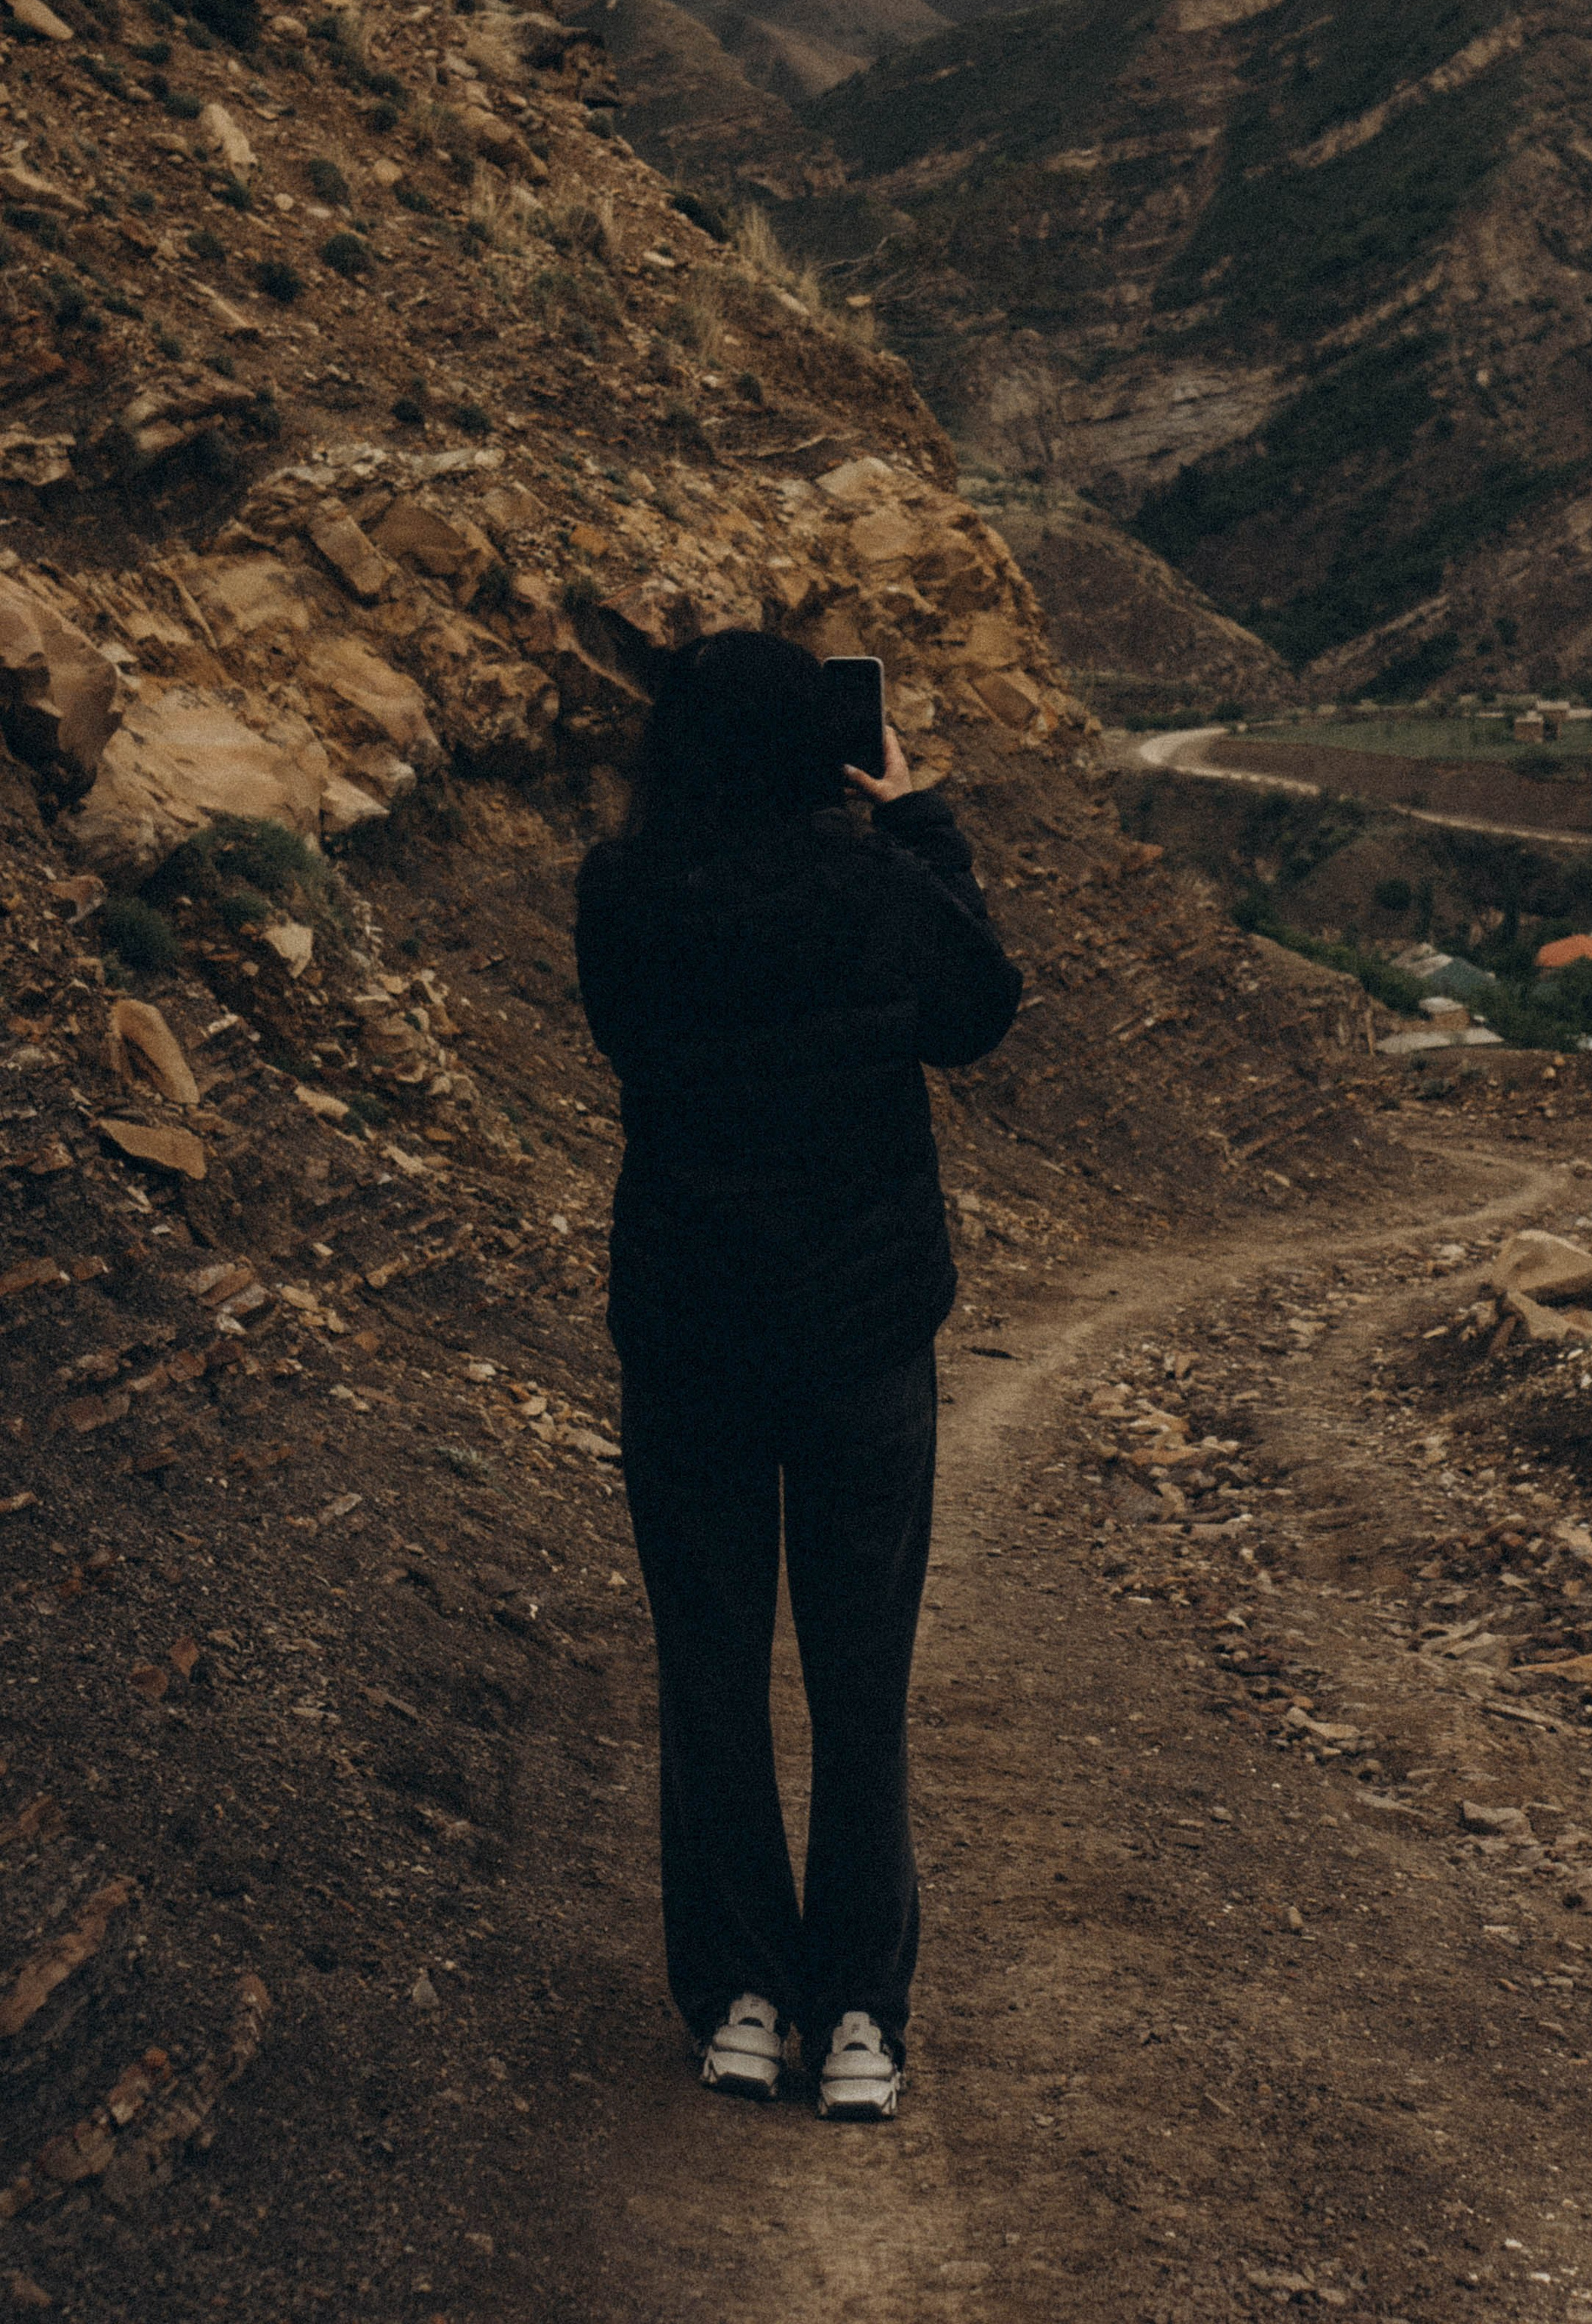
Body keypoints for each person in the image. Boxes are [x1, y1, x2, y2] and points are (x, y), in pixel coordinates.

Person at [574, 629, 1022, 2120]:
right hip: (860, 1335)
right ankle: (861, 2026)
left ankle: (742, 2001)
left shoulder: (621, 897)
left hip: (690, 1330)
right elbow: (976, 1015)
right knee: (858, 1680)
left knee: (708, 1674)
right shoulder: (873, 885)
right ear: (813, 748)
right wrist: (915, 813)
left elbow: (634, 1051)